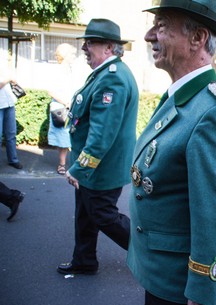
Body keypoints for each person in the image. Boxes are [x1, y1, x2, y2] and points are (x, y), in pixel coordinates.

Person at [127, 2, 216, 305]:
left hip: (179, 287)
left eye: (162, 25)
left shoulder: (215, 113)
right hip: (159, 272)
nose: (149, 35)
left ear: (197, 38)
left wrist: (203, 291)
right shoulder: (183, 97)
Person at [57, 18, 139, 275]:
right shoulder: (106, 74)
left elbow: (101, 135)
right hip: (97, 167)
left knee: (103, 215)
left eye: (90, 43)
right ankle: (84, 260)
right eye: (86, 42)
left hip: (101, 168)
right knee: (85, 213)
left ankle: (150, 254)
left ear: (109, 48)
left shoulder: (112, 79)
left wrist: (79, 168)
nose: (84, 48)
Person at [47, 43, 77, 175]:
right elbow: (51, 91)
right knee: (62, 136)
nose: (74, 56)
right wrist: (66, 102)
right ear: (64, 55)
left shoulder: (71, 70)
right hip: (61, 108)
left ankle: (68, 163)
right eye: (72, 54)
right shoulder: (57, 70)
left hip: (71, 106)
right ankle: (62, 164)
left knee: (70, 135)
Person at [0, 68, 23, 169]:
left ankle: (13, 160)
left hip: (9, 104)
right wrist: (7, 79)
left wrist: (13, 80)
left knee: (11, 134)